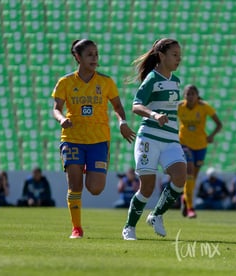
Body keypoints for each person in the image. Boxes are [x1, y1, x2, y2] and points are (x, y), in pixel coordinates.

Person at [52, 39, 136, 239]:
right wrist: (62, 119)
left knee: (96, 188)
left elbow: (117, 106)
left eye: (96, 54)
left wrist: (122, 122)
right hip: (72, 138)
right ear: (78, 57)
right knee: (75, 186)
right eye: (90, 54)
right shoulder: (65, 82)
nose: (94, 58)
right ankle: (77, 229)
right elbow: (56, 108)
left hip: (98, 141)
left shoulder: (105, 82)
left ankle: (88, 166)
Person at [122, 38, 187, 240]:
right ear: (161, 56)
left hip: (170, 139)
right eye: (174, 55)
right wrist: (154, 115)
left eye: (180, 55)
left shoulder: (175, 81)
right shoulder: (152, 78)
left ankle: (156, 215)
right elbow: (136, 105)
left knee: (180, 176)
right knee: (147, 188)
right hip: (149, 137)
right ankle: (129, 227)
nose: (179, 59)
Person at [177, 84, 222, 218]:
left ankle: (185, 198)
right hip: (184, 144)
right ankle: (191, 208)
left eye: (192, 94)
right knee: (189, 172)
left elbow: (219, 124)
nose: (190, 97)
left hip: (201, 145)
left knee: (193, 178)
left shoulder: (204, 107)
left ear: (197, 95)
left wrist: (211, 136)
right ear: (184, 96)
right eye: (187, 94)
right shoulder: (179, 106)